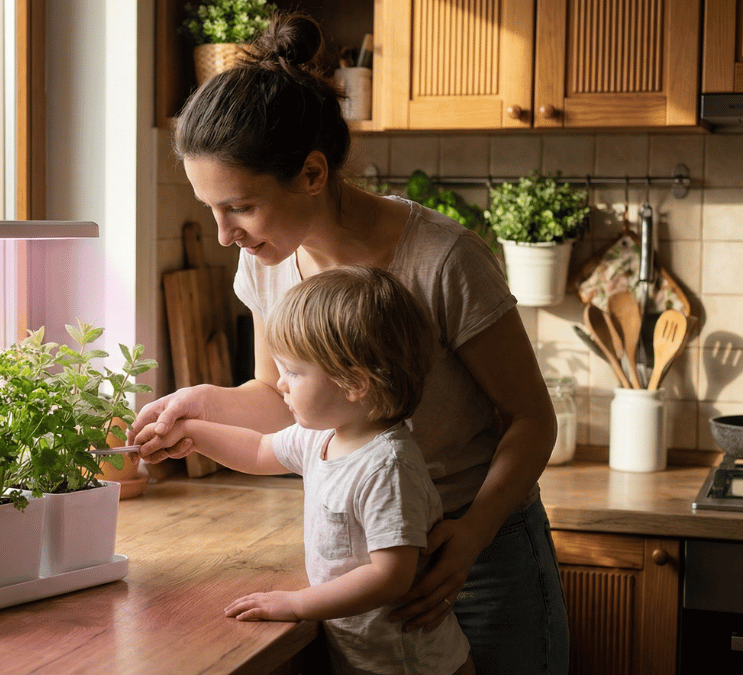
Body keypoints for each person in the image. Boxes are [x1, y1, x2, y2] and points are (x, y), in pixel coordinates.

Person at [129, 11, 568, 674]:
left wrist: (470, 538)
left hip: (476, 549)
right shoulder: (267, 259)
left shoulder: (444, 260)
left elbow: (533, 419)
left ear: (311, 173)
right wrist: (200, 405)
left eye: (240, 207)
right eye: (209, 208)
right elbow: (281, 400)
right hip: (365, 557)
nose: (224, 234)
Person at [136, 266, 474, 675]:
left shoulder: (387, 467)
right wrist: (190, 432)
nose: (280, 384)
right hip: (364, 657)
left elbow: (390, 577)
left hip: (411, 665)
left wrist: (296, 603)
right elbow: (260, 450)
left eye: (294, 372)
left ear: (353, 382)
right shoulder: (324, 435)